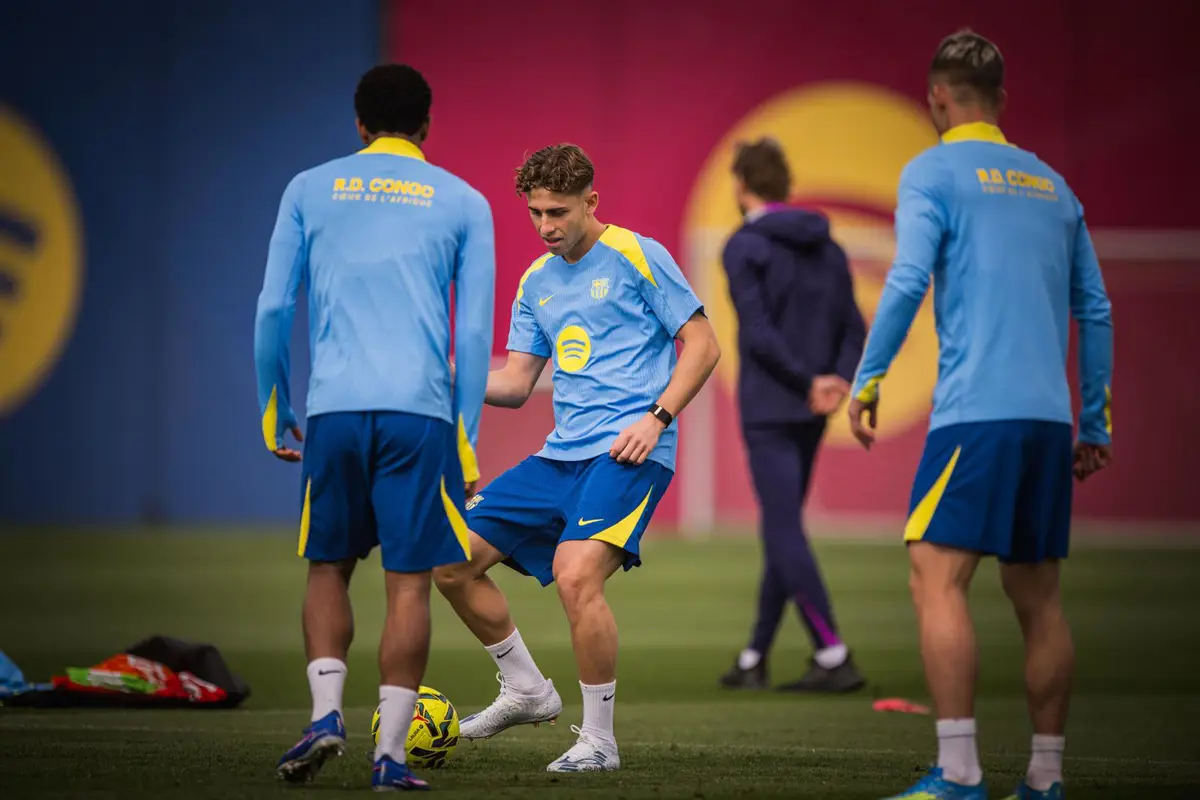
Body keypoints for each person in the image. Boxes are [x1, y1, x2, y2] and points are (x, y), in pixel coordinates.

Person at [846, 30, 1114, 800]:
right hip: (1048, 420)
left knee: (936, 575)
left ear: (936, 98)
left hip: (977, 417)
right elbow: (1095, 310)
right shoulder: (1054, 186)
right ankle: (1046, 777)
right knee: (1039, 599)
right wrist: (1093, 423)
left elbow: (903, 281)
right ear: (1002, 101)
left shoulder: (932, 169)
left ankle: (960, 772)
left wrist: (869, 380)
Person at [433, 143, 721, 773]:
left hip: (631, 451)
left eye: (558, 211)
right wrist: (446, 372)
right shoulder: (536, 280)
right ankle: (527, 690)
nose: (545, 226)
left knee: (575, 574)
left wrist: (657, 417)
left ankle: (599, 741)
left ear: (592, 201)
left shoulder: (639, 255)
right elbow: (514, 385)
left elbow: (703, 345)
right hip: (560, 457)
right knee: (450, 561)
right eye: (535, 212)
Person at [254, 63, 495, 791]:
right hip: (418, 414)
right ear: (427, 126)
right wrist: (467, 429)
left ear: (358, 123)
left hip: (332, 407)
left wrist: (276, 403)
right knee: (410, 585)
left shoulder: (308, 188)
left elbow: (272, 307)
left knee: (327, 565)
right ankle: (389, 756)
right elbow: (476, 330)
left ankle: (325, 715)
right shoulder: (464, 200)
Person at [715, 137, 868, 694]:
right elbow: (855, 326)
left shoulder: (742, 247)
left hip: (771, 408)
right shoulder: (827, 246)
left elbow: (758, 335)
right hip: (814, 409)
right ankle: (754, 656)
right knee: (786, 531)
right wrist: (835, 381)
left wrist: (807, 381)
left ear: (741, 185)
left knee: (782, 529)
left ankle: (832, 653)